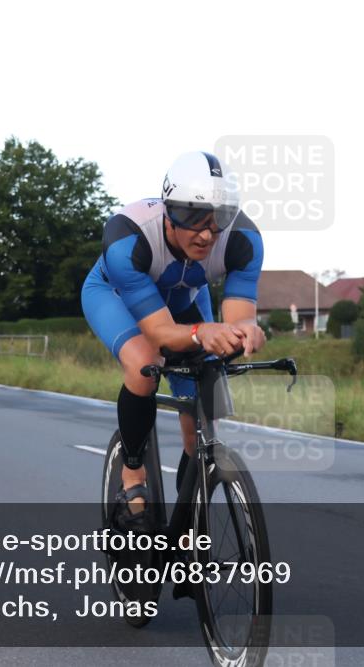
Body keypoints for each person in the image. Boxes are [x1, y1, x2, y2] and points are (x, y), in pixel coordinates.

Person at [81, 151, 265, 531]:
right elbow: (161, 334)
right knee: (145, 364)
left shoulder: (244, 240)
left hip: (184, 302)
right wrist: (201, 333)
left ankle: (187, 524)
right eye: (194, 219)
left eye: (219, 220)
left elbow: (236, 318)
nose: (206, 234)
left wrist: (245, 330)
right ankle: (133, 478)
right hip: (115, 297)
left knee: (207, 395)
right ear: (169, 211)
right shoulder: (127, 237)